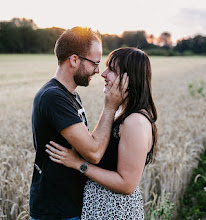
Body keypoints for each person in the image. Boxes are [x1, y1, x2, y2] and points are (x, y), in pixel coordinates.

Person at [46, 47, 158, 219]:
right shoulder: (124, 115)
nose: (103, 74)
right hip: (103, 209)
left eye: (112, 70)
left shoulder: (135, 122)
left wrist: (79, 164)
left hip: (116, 212)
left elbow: (127, 184)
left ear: (129, 79)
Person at [30, 27, 129, 220]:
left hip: (68, 207)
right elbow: (93, 152)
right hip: (56, 211)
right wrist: (110, 107)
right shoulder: (54, 97)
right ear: (74, 60)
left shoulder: (70, 96)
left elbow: (88, 146)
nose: (98, 71)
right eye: (95, 63)